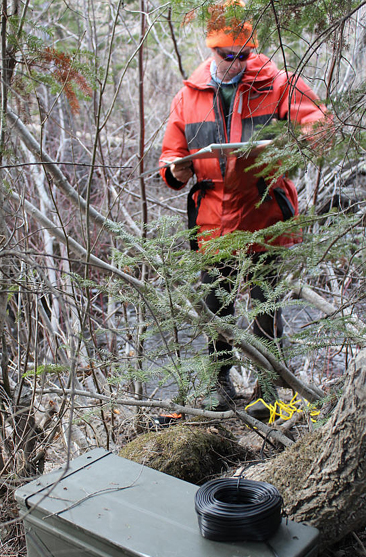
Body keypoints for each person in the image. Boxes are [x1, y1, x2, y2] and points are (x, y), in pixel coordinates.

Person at [159, 0, 328, 417]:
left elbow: (322, 126)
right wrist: (177, 172)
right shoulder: (188, 96)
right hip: (212, 219)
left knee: (265, 308)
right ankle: (218, 390)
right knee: (216, 308)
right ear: (210, 49)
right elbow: (170, 158)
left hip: (264, 214)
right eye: (226, 55)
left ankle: (270, 394)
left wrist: (298, 145)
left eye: (243, 54)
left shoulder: (276, 81)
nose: (236, 62)